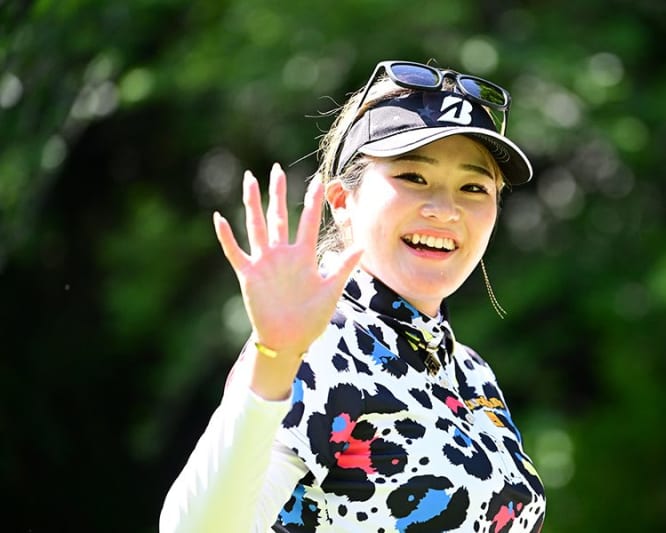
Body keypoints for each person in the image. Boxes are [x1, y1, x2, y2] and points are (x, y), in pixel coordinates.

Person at [160, 60, 546, 532]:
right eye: (413, 177)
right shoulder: (325, 343)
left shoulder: (472, 373)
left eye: (473, 187)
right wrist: (277, 356)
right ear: (343, 201)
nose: (445, 210)